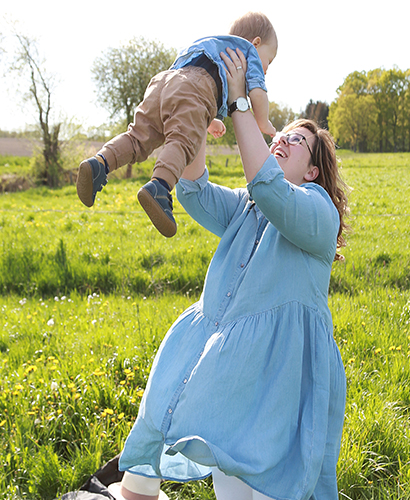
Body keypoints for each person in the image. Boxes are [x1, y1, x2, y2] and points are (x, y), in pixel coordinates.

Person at [107, 47, 350, 500]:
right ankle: (138, 488)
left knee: (273, 483)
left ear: (313, 171)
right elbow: (195, 190)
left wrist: (240, 103)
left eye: (296, 141)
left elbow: (271, 188)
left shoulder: (318, 211)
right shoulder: (248, 206)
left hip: (282, 375)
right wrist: (199, 119)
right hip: (235, 370)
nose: (282, 141)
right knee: (228, 474)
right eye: (281, 135)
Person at [76, 11, 277, 238]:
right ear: (256, 42)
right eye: (269, 60)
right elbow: (257, 92)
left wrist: (208, 119)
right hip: (195, 88)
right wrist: (264, 122)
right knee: (182, 140)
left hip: (164, 82)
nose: (266, 69)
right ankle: (160, 187)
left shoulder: (210, 43)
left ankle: (100, 163)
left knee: (137, 137)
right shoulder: (247, 51)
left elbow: (188, 87)